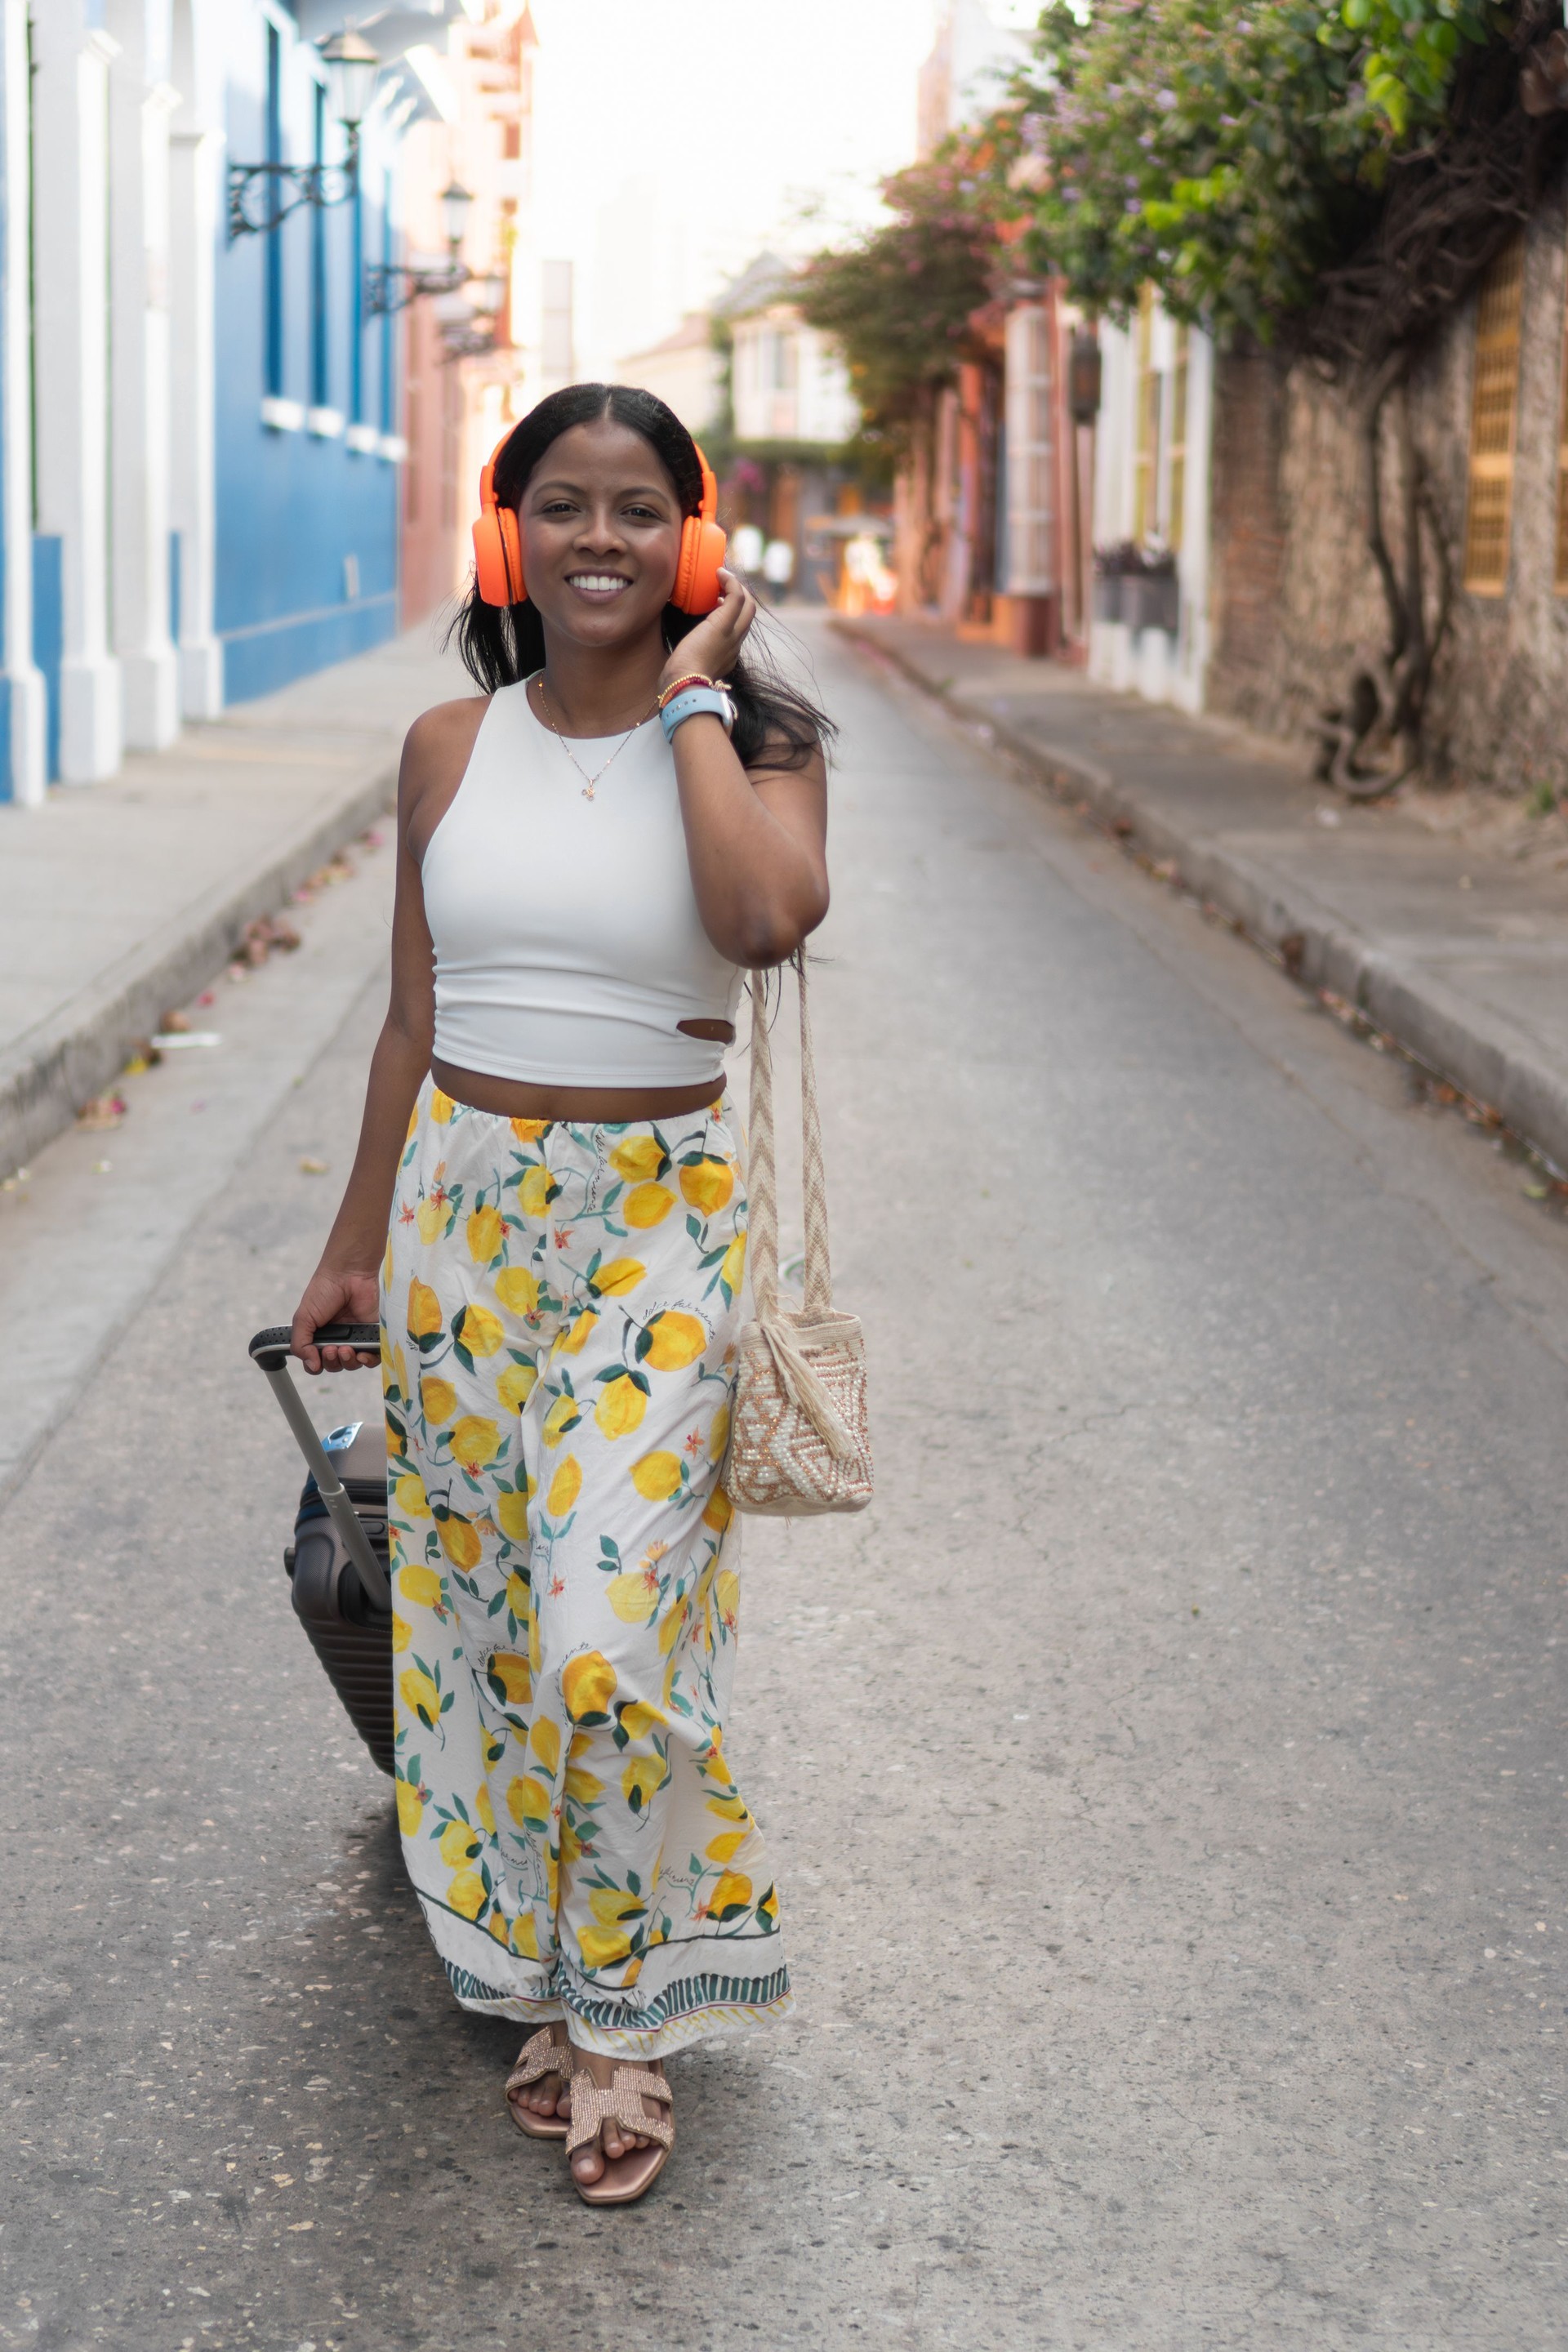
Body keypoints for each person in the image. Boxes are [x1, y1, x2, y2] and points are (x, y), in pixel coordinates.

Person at [289, 382, 833, 2206]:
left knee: (614, 1634)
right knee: (495, 1635)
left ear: (688, 541)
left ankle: (628, 2023)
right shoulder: (448, 746)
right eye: (561, 504)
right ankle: (549, 1981)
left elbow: (764, 925)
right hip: (461, 1212)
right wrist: (355, 1239)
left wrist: (693, 694)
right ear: (511, 530)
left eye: (635, 510)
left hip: (654, 1226)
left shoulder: (757, 745)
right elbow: (411, 1019)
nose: (596, 539)